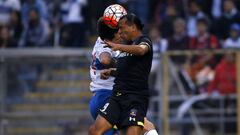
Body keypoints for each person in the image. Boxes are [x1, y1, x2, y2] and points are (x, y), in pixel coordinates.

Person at [89, 13, 153, 135]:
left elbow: (141, 50)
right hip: (117, 97)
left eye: (122, 28)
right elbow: (125, 70)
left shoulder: (144, 41)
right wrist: (111, 72)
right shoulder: (126, 45)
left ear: (133, 27)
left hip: (135, 98)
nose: (120, 31)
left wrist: (118, 46)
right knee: (94, 131)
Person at [89, 17, 120, 135]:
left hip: (101, 97)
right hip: (106, 97)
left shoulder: (101, 38)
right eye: (118, 31)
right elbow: (105, 59)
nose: (121, 34)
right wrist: (119, 64)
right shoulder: (105, 46)